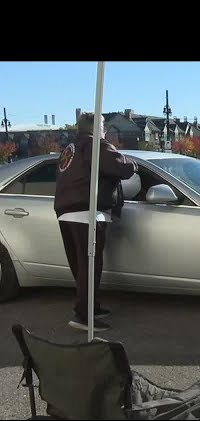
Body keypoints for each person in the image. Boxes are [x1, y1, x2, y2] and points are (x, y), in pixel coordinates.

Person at [54, 113, 138, 332]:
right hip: (87, 212)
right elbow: (121, 167)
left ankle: (92, 307)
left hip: (66, 212)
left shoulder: (71, 148)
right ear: (95, 127)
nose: (105, 131)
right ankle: (83, 316)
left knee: (82, 267)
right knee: (90, 266)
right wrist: (134, 165)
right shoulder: (95, 144)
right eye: (103, 126)